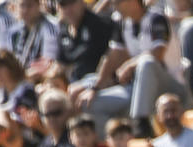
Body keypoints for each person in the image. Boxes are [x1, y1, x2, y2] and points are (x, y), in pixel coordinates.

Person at [79, 0, 186, 130]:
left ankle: (141, 123)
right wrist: (94, 88)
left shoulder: (157, 18)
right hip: (138, 89)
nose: (115, 7)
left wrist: (130, 65)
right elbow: (113, 56)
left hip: (170, 87)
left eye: (117, 3)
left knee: (146, 63)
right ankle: (118, 142)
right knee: (90, 103)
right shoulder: (123, 23)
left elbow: (157, 54)